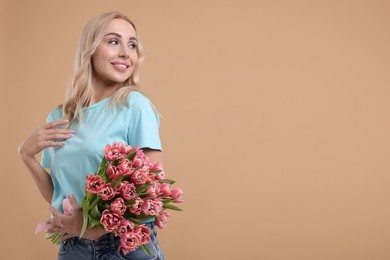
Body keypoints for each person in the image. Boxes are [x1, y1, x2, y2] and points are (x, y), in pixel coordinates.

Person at [18, 11, 165, 259]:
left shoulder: (133, 105)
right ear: (90, 48)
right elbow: (60, 192)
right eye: (113, 41)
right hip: (73, 248)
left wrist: (95, 229)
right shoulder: (59, 117)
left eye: (132, 44)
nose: (125, 53)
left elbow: (152, 188)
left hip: (125, 247)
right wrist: (25, 155)